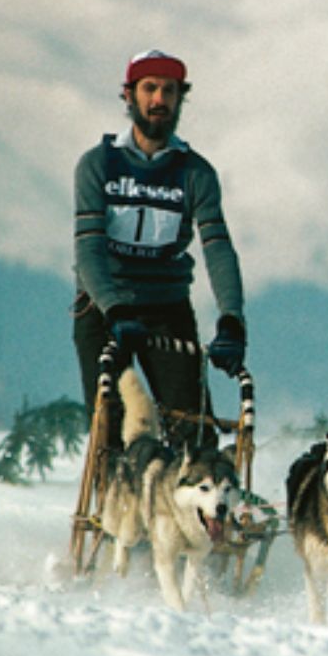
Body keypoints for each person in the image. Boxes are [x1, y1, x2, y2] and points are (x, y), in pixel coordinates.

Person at [72, 49, 247, 446]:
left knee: (194, 431)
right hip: (103, 307)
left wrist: (232, 318)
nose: (159, 100)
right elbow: (88, 251)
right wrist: (114, 308)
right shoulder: (98, 165)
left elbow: (218, 248)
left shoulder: (195, 173)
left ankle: (189, 505)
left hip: (166, 306)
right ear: (129, 95)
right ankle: (115, 499)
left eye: (169, 91)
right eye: (149, 88)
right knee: (110, 427)